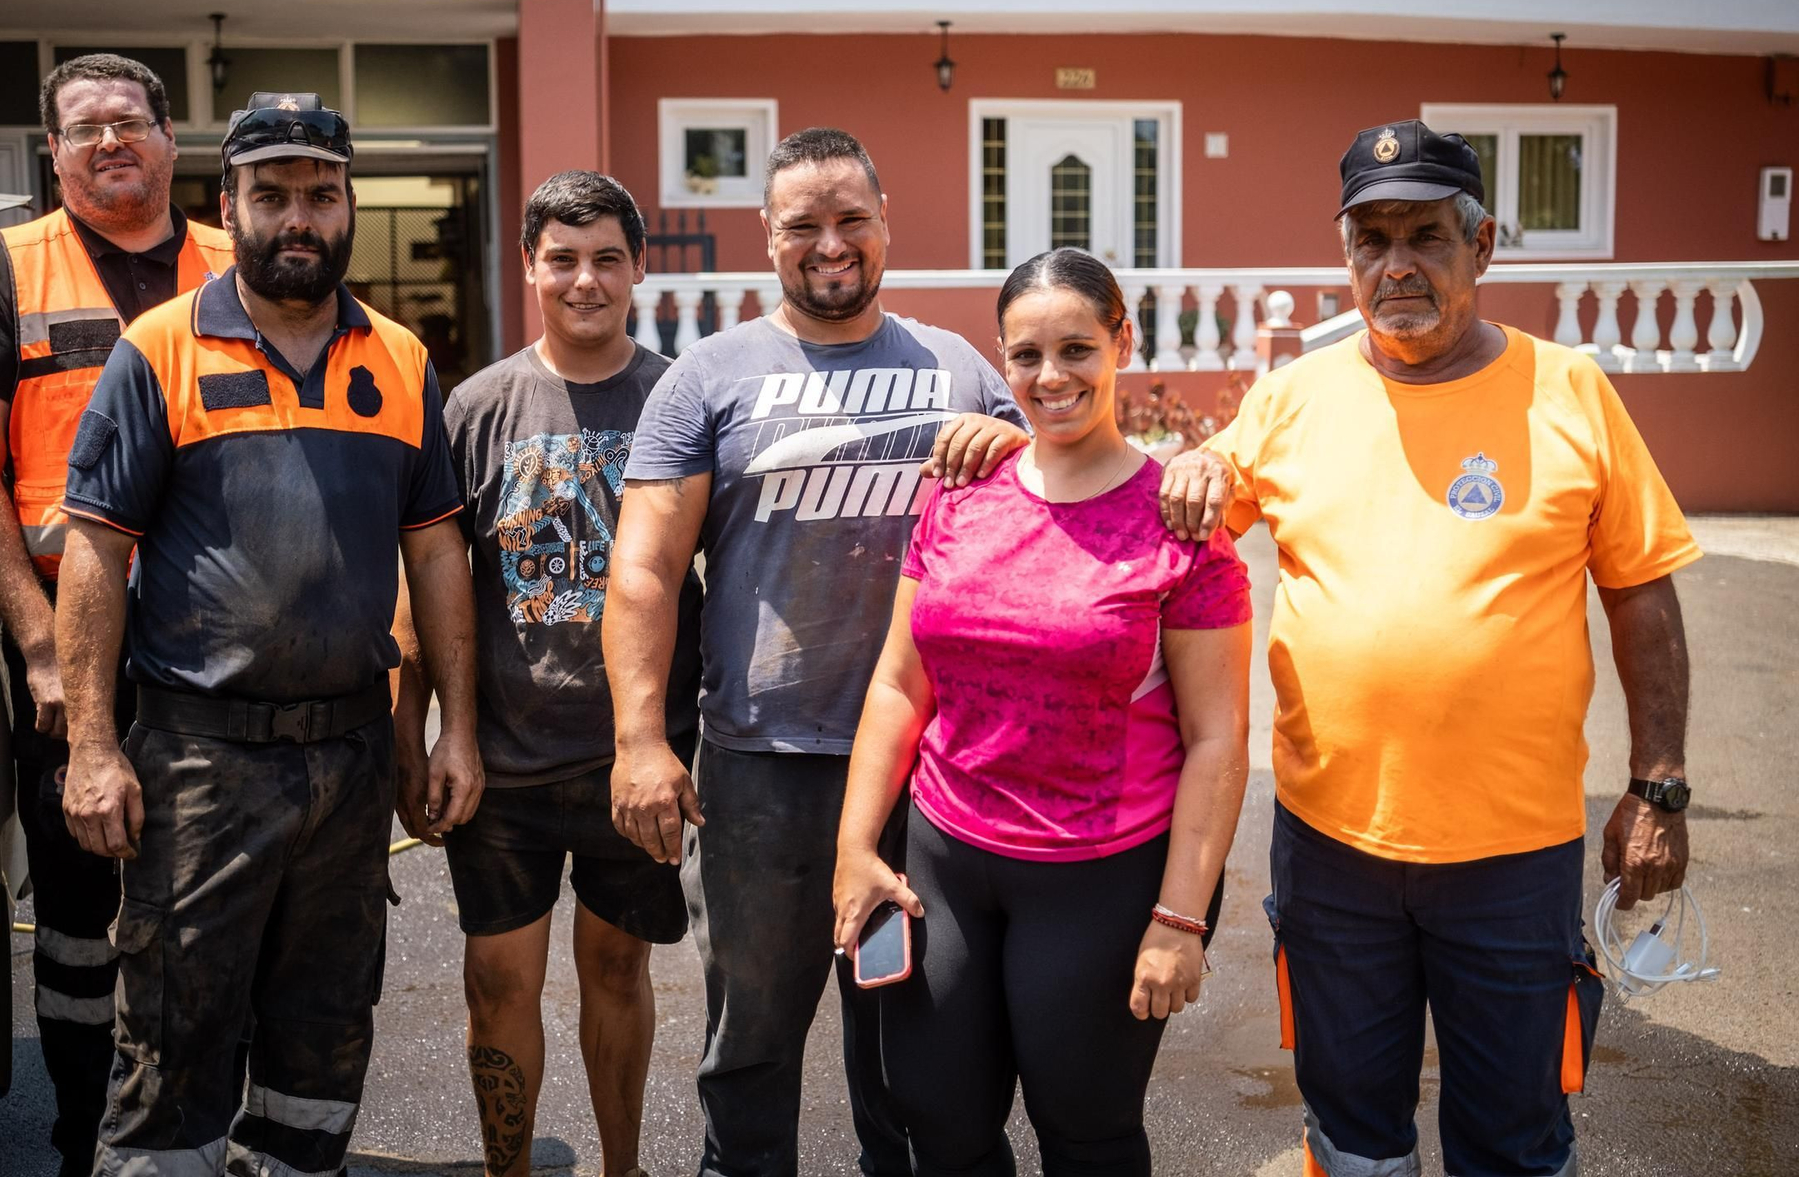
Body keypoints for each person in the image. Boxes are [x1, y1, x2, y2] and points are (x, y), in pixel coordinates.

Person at [1161, 120, 1699, 1177]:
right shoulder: (1288, 400)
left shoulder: (1570, 391)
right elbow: (1166, 518)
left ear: (1482, 246)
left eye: (1424, 236)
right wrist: (1071, 448)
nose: (1394, 265)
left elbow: (1639, 589)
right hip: (1331, 849)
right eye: (1369, 239)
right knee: (1351, 1128)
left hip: (1511, 856)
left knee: (1513, 1133)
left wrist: (1658, 786)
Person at [54, 93, 478, 1176]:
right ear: (228, 204)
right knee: (173, 1041)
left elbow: (435, 554)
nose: (299, 216)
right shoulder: (160, 350)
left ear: (348, 207)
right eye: (272, 194)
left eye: (320, 195)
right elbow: (96, 552)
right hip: (199, 761)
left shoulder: (399, 359)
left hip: (347, 759)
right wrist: (94, 747)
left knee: (322, 1042)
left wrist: (453, 733)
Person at [603, 127, 1029, 1177]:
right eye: (803, 225)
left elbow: (1061, 494)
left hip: (929, 772)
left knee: (908, 1041)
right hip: (762, 772)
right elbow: (645, 568)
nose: (829, 244)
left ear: (885, 224)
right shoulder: (708, 375)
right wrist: (639, 741)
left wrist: (1016, 443)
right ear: (769, 237)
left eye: (850, 220)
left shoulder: (960, 368)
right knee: (749, 1043)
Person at [831, 248, 1252, 1176]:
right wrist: (857, 847)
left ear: (1121, 343)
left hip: (1100, 876)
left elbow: (1219, 740)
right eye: (1026, 355)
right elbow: (901, 683)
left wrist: (1180, 920)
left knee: (1086, 1132)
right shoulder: (956, 491)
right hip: (945, 859)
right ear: (1002, 358)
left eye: (1076, 349)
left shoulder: (1179, 525)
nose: (1050, 376)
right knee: (938, 1125)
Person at [0, 52, 232, 1176]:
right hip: (74, 651)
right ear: (50, 154)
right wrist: (40, 649)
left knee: (212, 901)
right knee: (74, 916)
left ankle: (200, 1128)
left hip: (219, 649)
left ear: (168, 140)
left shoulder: (238, 265)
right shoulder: (4, 272)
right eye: (83, 128)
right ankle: (79, 1135)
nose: (109, 141)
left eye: (128, 121)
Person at [392, 170, 698, 1177]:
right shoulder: (474, 406)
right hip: (504, 768)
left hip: (633, 762)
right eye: (562, 259)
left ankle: (622, 1168)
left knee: (617, 967)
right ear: (529, 266)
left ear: (637, 268)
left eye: (607, 257)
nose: (585, 280)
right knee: (495, 981)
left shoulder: (677, 399)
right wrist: (431, 734)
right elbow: (427, 588)